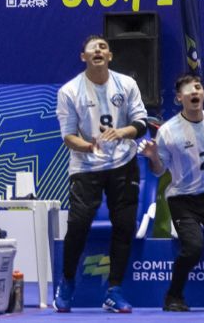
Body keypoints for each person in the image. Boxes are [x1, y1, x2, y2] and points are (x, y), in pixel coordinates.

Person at [54, 35, 148, 313]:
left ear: (110, 56)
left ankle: (114, 290)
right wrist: (89, 145)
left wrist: (121, 132)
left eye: (104, 47)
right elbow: (68, 136)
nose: (99, 50)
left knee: (124, 225)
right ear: (83, 57)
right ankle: (68, 281)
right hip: (86, 167)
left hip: (123, 163)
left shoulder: (126, 84)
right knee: (79, 226)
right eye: (93, 48)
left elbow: (142, 122)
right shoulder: (70, 91)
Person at [139, 74, 204, 312]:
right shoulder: (167, 131)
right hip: (183, 200)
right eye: (188, 91)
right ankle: (173, 297)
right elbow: (159, 172)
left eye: (197, 88)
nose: (194, 93)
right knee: (193, 248)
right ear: (180, 99)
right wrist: (153, 156)